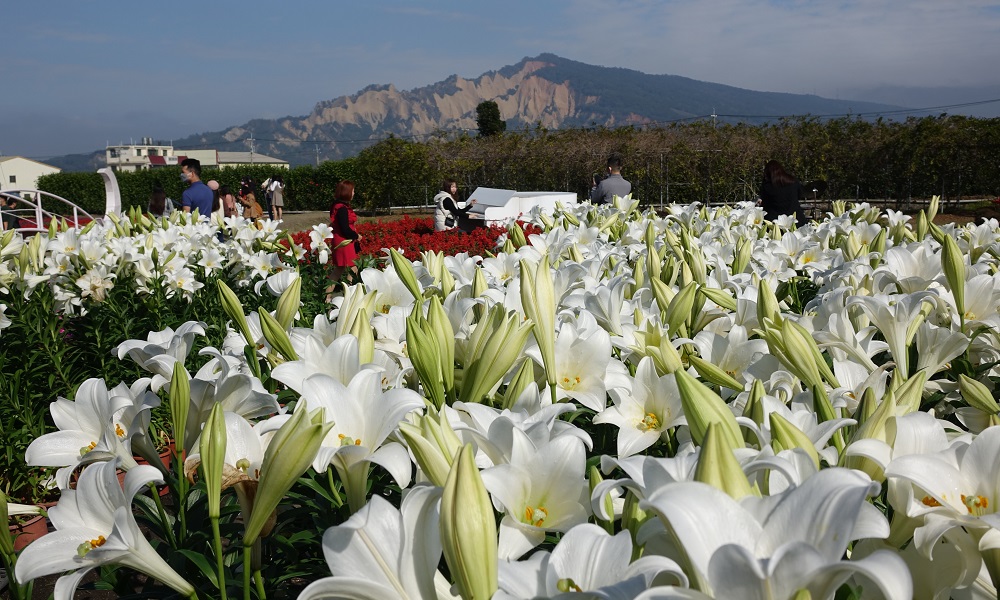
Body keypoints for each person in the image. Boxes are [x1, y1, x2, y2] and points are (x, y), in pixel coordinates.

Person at [329, 180, 362, 286]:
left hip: (342, 240)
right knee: (353, 268)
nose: (354, 193)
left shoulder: (338, 206)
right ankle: (348, 292)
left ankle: (327, 296)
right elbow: (345, 228)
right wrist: (356, 236)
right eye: (352, 191)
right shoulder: (342, 208)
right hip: (344, 241)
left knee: (339, 269)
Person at [759, 160, 807, 226]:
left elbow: (765, 204)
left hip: (775, 223)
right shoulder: (793, 182)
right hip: (797, 220)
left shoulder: (767, 187)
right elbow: (800, 195)